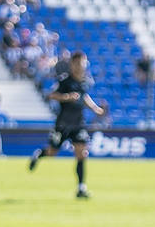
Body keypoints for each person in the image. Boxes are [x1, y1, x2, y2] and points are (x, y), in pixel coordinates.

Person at [28, 51, 107, 198]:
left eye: (82, 63)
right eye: (77, 63)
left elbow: (84, 97)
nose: (79, 66)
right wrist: (67, 97)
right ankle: (39, 155)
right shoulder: (65, 80)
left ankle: (81, 188)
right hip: (63, 124)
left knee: (82, 153)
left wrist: (95, 108)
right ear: (72, 64)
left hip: (78, 124)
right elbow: (52, 95)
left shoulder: (85, 81)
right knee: (52, 153)